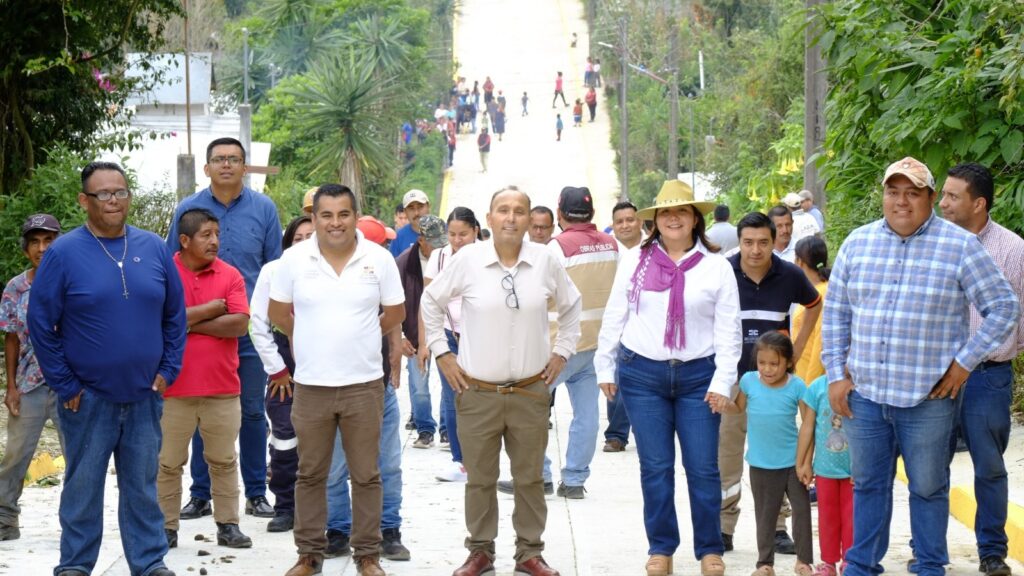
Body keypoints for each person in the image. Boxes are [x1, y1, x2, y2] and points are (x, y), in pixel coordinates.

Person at [822, 157, 1019, 576]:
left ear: (930, 198)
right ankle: (861, 566)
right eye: (893, 192)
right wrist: (835, 375)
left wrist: (965, 363)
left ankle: (929, 566)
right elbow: (836, 314)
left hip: (928, 398)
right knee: (868, 485)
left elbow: (1004, 307)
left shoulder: (960, 246)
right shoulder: (857, 243)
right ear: (883, 196)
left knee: (929, 488)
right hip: (866, 396)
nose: (901, 201)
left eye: (913, 193)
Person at [29, 161, 185, 576]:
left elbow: (175, 315)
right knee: (82, 487)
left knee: (142, 488)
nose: (113, 200)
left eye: (120, 192)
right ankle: (76, 565)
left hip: (145, 395)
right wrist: (65, 383)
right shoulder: (63, 253)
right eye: (103, 194)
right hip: (86, 398)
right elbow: (40, 323)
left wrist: (169, 369)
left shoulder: (154, 248)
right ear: (85, 201)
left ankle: (149, 563)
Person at [422, 187, 582, 576]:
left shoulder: (545, 261)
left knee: (530, 479)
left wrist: (562, 351)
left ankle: (529, 553)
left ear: (529, 219)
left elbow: (572, 305)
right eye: (503, 210)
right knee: (480, 479)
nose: (511, 217)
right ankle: (480, 551)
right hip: (477, 392)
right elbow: (431, 302)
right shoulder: (468, 260)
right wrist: (442, 353)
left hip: (530, 391)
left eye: (519, 211)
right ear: (490, 218)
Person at [595, 180, 739, 576]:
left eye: (682, 211)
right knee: (656, 467)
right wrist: (605, 366)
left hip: (699, 377)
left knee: (703, 467)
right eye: (666, 212)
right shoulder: (635, 261)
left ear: (695, 219)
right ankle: (661, 547)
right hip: (642, 375)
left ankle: (709, 548)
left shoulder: (716, 266)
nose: (674, 218)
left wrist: (722, 382)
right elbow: (616, 314)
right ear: (656, 221)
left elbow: (729, 330)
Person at [269, 184, 405, 576]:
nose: (335, 223)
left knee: (367, 474)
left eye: (343, 214)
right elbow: (278, 313)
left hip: (364, 385)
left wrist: (363, 333)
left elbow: (395, 313)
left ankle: (368, 555)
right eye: (326, 215)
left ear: (355, 216)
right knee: (311, 473)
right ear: (313, 219)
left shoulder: (379, 259)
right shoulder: (294, 260)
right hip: (312, 386)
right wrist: (306, 338)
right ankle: (309, 555)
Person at [167, 137, 282, 522]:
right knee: (203, 410)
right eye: (219, 159)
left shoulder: (264, 209)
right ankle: (200, 495)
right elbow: (172, 264)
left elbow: (274, 269)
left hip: (248, 330)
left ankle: (256, 492)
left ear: (245, 167)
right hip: (196, 330)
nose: (227, 165)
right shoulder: (188, 209)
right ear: (207, 168)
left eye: (234, 159)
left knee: (251, 411)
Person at [497, 187, 617, 499]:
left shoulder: (555, 248)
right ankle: (575, 480)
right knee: (587, 415)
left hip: (556, 346)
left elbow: (533, 294)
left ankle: (540, 476)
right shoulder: (611, 245)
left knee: (529, 411)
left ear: (560, 214)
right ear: (592, 213)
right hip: (595, 344)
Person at [937, 162, 1024, 576]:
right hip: (937, 377)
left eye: (953, 196)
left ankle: (992, 553)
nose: (943, 203)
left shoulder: (1012, 250)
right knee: (930, 465)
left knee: (989, 466)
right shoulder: (933, 243)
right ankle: (928, 548)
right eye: (943, 193)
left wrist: (1003, 354)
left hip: (988, 377)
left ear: (979, 203)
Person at [719, 211, 822, 554]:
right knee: (728, 457)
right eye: (748, 242)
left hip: (775, 385)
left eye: (763, 242)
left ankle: (777, 528)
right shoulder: (723, 272)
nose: (755, 250)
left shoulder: (789, 274)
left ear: (774, 241)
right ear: (739, 242)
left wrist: (798, 349)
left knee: (777, 456)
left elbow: (814, 304)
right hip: (733, 380)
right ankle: (724, 527)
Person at [159, 209, 252, 550]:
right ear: (184, 240)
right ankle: (165, 528)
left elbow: (239, 324)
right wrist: (212, 309)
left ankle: (228, 526)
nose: (214, 241)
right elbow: (157, 322)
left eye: (217, 234)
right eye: (206, 235)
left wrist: (185, 323)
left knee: (224, 461)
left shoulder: (230, 274)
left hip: (222, 388)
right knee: (167, 463)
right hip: (172, 389)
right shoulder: (164, 272)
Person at [324, 215, 410, 563]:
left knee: (388, 464)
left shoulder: (381, 272)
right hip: (335, 385)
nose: (387, 248)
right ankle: (338, 531)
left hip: (378, 385)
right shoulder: (332, 278)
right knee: (335, 466)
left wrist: (395, 349)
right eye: (383, 243)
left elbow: (394, 312)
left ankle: (389, 530)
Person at [710, 333, 813, 576]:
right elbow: (738, 408)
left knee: (802, 511)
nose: (767, 369)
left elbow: (809, 423)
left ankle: (804, 562)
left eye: (774, 363)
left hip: (793, 463)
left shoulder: (797, 386)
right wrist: (724, 405)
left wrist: (806, 461)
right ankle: (765, 564)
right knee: (765, 516)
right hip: (761, 464)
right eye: (762, 362)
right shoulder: (748, 381)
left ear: (788, 362)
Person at [0, 214, 64, 542]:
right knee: (16, 454)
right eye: (35, 242)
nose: (41, 248)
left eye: (49, 241)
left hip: (69, 384)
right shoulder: (16, 287)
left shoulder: (73, 282)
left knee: (79, 458)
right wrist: (11, 387)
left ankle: (77, 524)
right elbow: (11, 337)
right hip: (28, 384)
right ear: (25, 249)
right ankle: (4, 518)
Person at [250, 216, 315, 533]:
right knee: (285, 436)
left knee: (319, 440)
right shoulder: (272, 271)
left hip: (322, 363)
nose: (304, 243)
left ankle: (317, 509)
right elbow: (257, 324)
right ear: (288, 243)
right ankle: (286, 506)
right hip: (283, 363)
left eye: (310, 236)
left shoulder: (329, 272)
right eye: (297, 238)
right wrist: (277, 369)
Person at [420, 207, 482, 484]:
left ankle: (482, 458)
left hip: (480, 336)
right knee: (453, 397)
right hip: (448, 336)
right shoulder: (439, 257)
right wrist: (425, 343)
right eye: (452, 234)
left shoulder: (487, 256)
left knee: (481, 398)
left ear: (475, 231)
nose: (457, 241)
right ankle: (461, 462)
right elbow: (428, 301)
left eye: (463, 234)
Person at [397, 215, 449, 448]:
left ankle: (447, 429)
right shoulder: (403, 263)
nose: (439, 247)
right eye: (433, 243)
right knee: (419, 386)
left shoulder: (451, 258)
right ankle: (425, 429)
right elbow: (391, 301)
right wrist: (400, 336)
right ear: (420, 240)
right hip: (413, 333)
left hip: (446, 331)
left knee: (450, 383)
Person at [796, 374, 852, 576]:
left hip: (854, 471)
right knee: (827, 518)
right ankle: (828, 563)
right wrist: (803, 462)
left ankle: (850, 561)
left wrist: (864, 466)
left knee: (852, 519)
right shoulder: (817, 387)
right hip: (824, 469)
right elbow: (808, 426)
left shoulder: (861, 386)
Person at [603, 201, 642, 453]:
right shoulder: (607, 251)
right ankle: (616, 435)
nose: (625, 225)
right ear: (613, 225)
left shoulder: (654, 249)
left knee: (638, 383)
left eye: (630, 220)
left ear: (639, 222)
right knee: (615, 380)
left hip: (643, 327)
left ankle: (640, 429)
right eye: (620, 221)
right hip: (615, 325)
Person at [791, 236, 829, 383]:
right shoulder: (812, 291)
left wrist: (810, 386)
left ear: (799, 262)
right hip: (800, 373)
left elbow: (821, 344)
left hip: (810, 379)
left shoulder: (823, 293)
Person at [390, 189, 431, 257]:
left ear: (428, 207)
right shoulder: (399, 238)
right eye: (411, 208)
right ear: (405, 211)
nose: (416, 213)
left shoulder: (445, 231)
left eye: (420, 207)